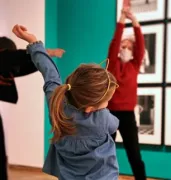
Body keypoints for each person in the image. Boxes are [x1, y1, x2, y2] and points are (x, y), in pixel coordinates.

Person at [13, 24, 120, 180]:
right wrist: (34, 43)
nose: (107, 106)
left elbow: (49, 73)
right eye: (106, 102)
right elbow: (114, 124)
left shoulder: (56, 104)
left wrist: (34, 43)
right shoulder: (103, 119)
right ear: (90, 108)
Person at [0, 36, 65, 180]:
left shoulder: (6, 65)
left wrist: (41, 57)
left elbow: (25, 66)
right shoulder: (5, 57)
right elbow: (15, 57)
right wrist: (48, 52)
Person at [107, 8, 146, 180]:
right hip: (109, 114)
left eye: (129, 47)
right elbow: (115, 41)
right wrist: (122, 18)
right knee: (105, 153)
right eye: (123, 45)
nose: (125, 48)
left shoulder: (134, 65)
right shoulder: (112, 64)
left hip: (128, 116)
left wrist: (135, 21)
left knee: (135, 155)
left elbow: (141, 47)